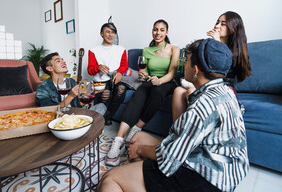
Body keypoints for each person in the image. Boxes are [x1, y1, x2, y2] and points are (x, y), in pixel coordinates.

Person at [97, 38, 249, 192]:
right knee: (137, 138)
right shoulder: (228, 92)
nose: (183, 64)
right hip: (220, 169)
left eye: (187, 61)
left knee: (110, 179)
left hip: (205, 179)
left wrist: (140, 150)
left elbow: (171, 159)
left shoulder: (202, 105)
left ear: (195, 70)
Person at [105, 19, 180, 167]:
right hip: (151, 81)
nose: (157, 33)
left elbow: (172, 73)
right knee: (139, 93)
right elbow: (144, 71)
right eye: (155, 29)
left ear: (166, 32)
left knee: (158, 91)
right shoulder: (147, 50)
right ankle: (119, 139)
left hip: (167, 82)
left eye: (161, 30)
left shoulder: (174, 49)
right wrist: (142, 74)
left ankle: (137, 127)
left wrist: (160, 80)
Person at [172, 11, 252, 121]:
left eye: (223, 24)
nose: (217, 26)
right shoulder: (211, 45)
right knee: (178, 91)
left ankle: (196, 131)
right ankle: (178, 133)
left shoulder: (236, 51)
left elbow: (220, 71)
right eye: (217, 22)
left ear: (233, 27)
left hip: (224, 87)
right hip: (205, 82)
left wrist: (217, 42)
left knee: (191, 91)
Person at [87, 21, 129, 125]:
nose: (110, 35)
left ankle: (108, 115)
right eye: (107, 32)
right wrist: (98, 67)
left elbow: (124, 65)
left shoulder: (121, 49)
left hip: (115, 79)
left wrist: (119, 73)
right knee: (106, 94)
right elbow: (90, 70)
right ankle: (103, 116)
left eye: (113, 32)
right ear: (102, 34)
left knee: (121, 89)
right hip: (100, 82)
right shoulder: (93, 50)